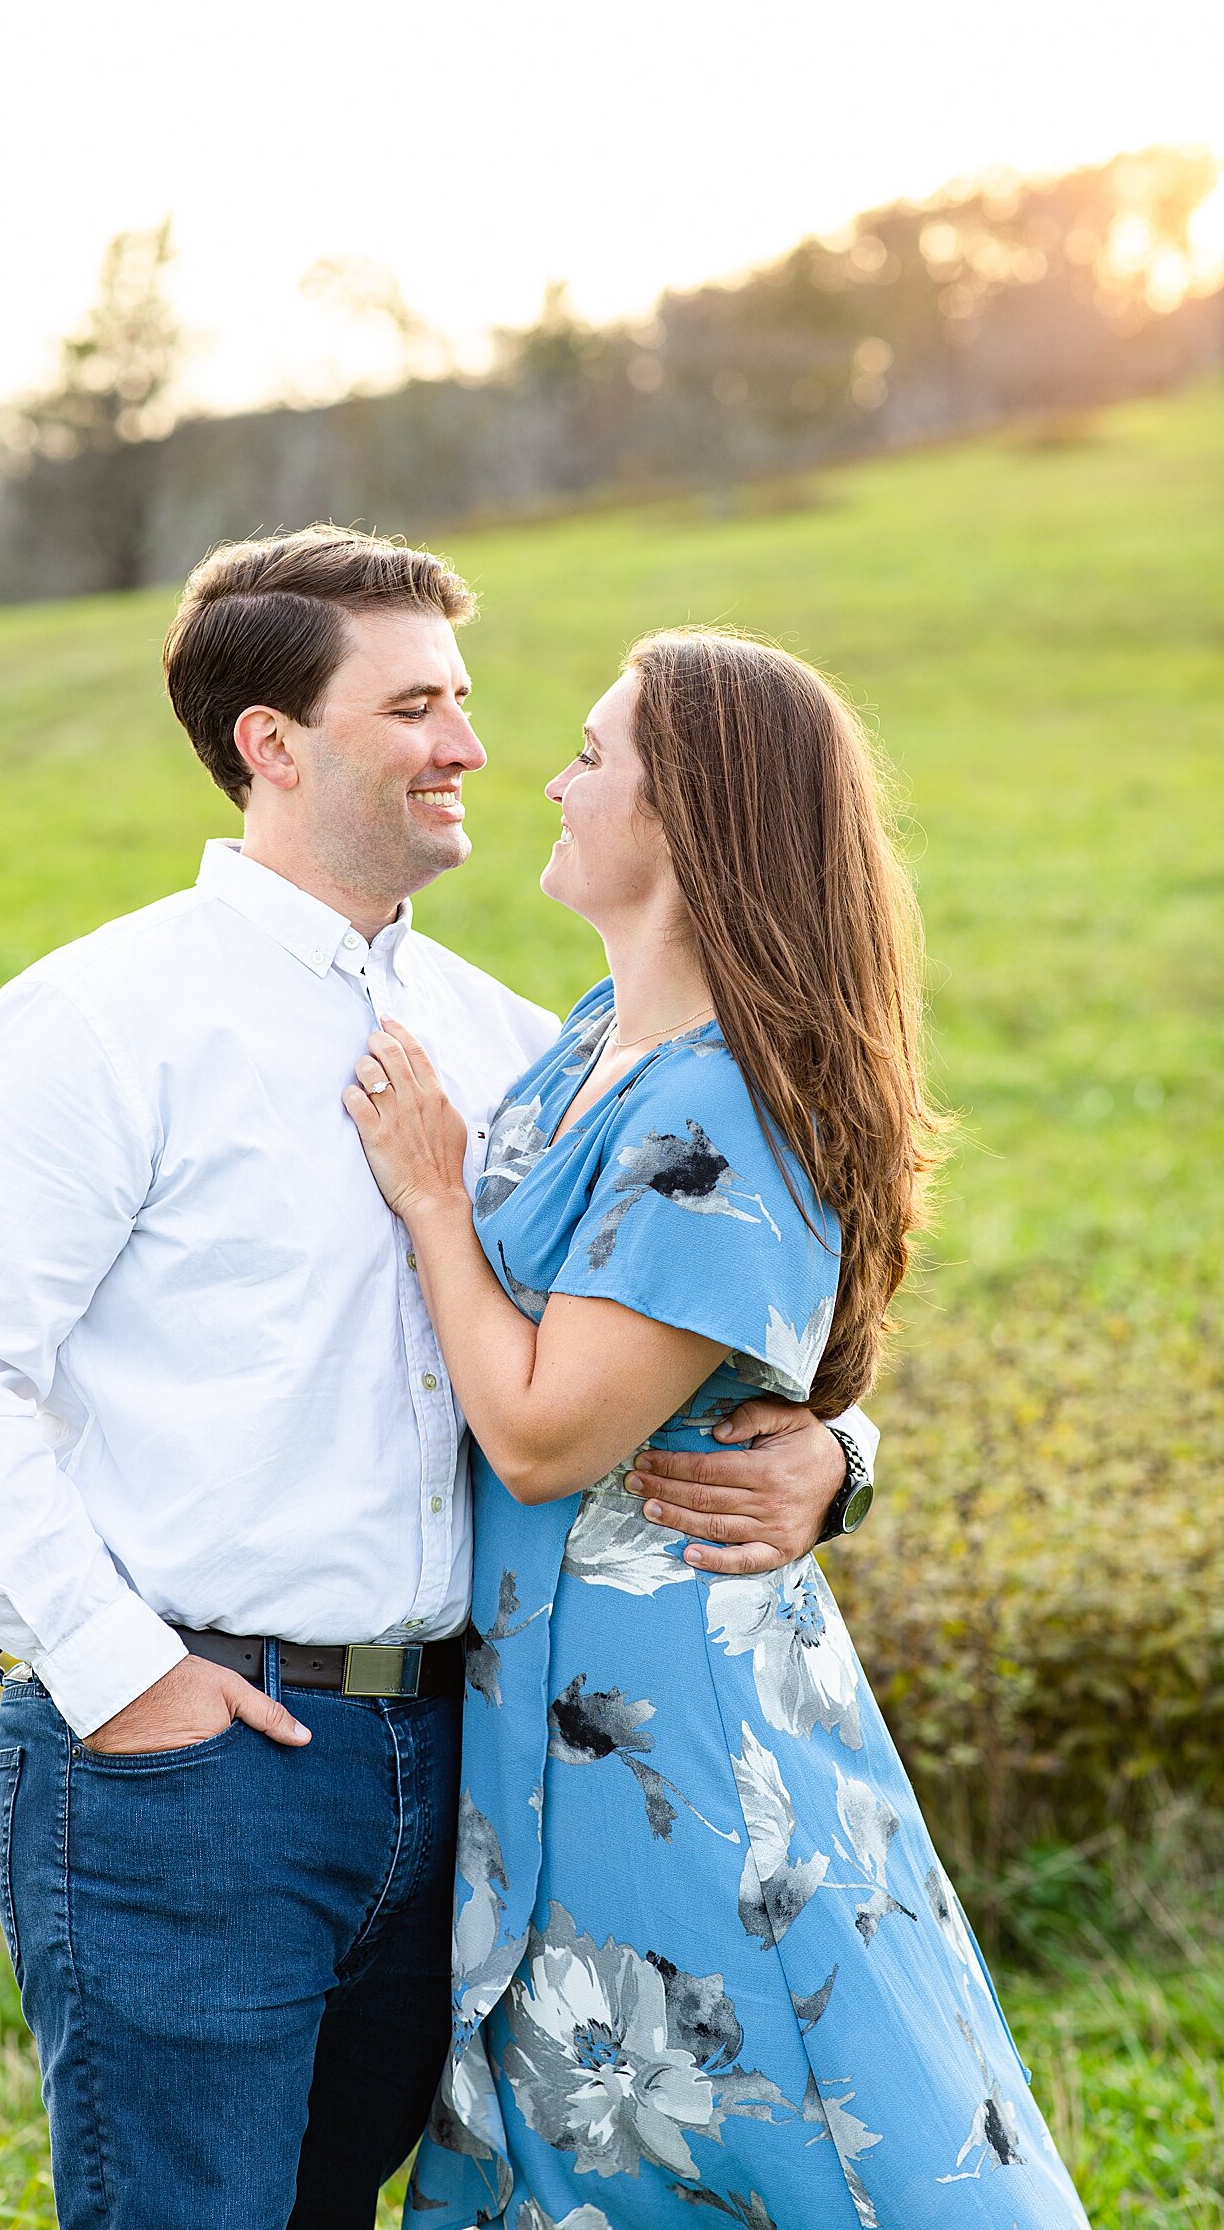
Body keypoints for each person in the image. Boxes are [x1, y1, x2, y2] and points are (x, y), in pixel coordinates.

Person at [0, 529, 877, 2230]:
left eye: (465, 701)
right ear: (273, 741)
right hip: (198, 1761)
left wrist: (836, 1453)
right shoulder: (101, 1019)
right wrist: (128, 1684)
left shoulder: (510, 1040)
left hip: (462, 1764)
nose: (471, 745)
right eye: (416, 705)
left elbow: (672, 1308)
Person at [346, 630, 1089, 2228]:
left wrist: (427, 1201)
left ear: (686, 815)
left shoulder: (716, 1109)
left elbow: (544, 1435)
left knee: (787, 2136)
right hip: (546, 1718)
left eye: (592, 754)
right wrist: (845, 1450)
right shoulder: (579, 1052)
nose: (547, 777)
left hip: (674, 1732)